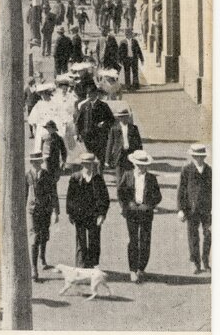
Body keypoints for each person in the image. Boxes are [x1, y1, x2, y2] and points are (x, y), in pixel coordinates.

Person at [117, 150, 162, 283]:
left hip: (146, 212)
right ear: (134, 164)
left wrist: (149, 205)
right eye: (139, 165)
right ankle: (132, 270)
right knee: (133, 240)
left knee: (145, 240)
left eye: (144, 165)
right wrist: (126, 205)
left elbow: (158, 196)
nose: (141, 167)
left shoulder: (151, 178)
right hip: (132, 212)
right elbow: (121, 193)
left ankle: (141, 268)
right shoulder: (127, 175)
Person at [66, 153, 109, 269]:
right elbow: (70, 197)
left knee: (94, 239)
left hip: (94, 214)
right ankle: (80, 266)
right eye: (85, 164)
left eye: (90, 164)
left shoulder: (98, 178)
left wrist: (102, 215)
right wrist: (70, 213)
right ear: (82, 164)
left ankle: (91, 265)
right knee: (81, 240)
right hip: (80, 214)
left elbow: (105, 198)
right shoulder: (75, 177)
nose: (87, 167)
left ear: (93, 165)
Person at [177, 144, 212, 274]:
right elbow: (181, 190)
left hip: (207, 210)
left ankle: (206, 261)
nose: (199, 159)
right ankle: (195, 262)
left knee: (208, 234)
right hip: (191, 209)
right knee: (193, 236)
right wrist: (180, 209)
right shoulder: (186, 170)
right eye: (196, 156)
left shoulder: (209, 171)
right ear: (192, 156)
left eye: (201, 156)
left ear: (204, 157)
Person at [26, 151, 60, 280]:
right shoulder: (27, 176)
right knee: (34, 237)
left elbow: (54, 194)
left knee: (44, 234)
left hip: (45, 209)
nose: (36, 164)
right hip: (32, 210)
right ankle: (34, 268)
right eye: (33, 162)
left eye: (38, 162)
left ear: (41, 162)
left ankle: (42, 257)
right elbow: (24, 194)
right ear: (31, 163)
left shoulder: (47, 175)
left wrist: (56, 212)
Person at [74, 87, 114, 168]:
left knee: (100, 156)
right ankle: (93, 173)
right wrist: (77, 134)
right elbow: (78, 121)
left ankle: (100, 175)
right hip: (87, 136)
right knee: (90, 156)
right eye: (87, 94)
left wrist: (104, 123)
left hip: (100, 136)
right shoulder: (84, 106)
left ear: (95, 94)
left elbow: (111, 119)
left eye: (90, 94)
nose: (88, 96)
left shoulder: (103, 106)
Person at [104, 108, 143, 182]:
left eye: (125, 117)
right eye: (121, 117)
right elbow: (110, 144)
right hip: (119, 156)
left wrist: (140, 156)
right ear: (118, 118)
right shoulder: (114, 129)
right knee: (119, 178)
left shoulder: (134, 128)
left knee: (131, 178)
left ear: (128, 117)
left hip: (131, 155)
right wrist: (107, 160)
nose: (123, 119)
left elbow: (139, 143)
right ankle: (120, 191)